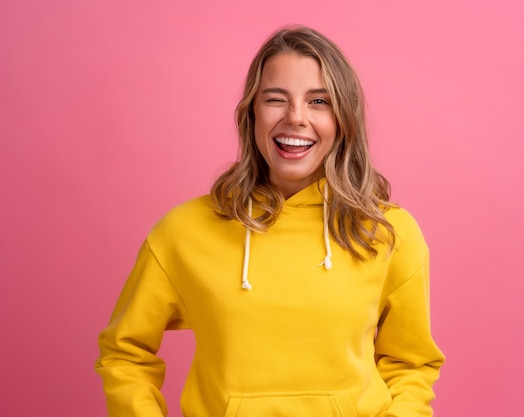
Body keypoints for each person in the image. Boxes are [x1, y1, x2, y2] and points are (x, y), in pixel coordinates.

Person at [96, 25, 445, 417]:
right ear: (252, 113)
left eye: (318, 101)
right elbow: (125, 353)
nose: (295, 118)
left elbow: (411, 365)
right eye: (276, 99)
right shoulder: (183, 232)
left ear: (344, 118)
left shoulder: (387, 234)